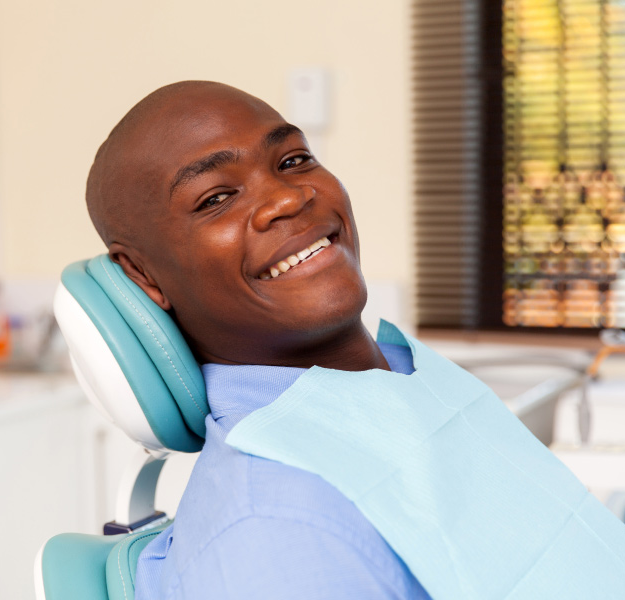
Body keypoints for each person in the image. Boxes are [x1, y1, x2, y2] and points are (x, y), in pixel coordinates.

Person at [85, 80, 430, 599]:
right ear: (143, 276)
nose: (288, 198)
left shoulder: (408, 375)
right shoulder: (277, 533)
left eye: (292, 160)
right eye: (217, 198)